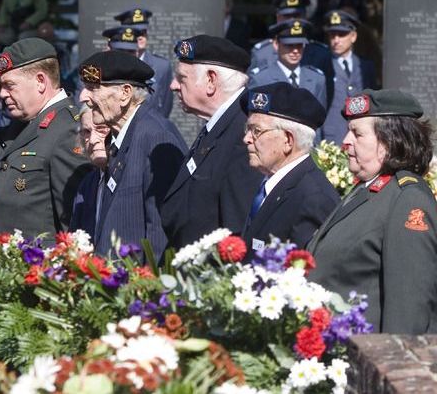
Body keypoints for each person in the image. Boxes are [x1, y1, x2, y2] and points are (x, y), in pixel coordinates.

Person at [308, 89, 437, 334]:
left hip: (367, 359)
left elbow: (408, 310)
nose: (345, 141)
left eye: (357, 133)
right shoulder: (367, 189)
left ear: (389, 142)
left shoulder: (407, 199)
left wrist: (391, 368)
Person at [0, 38, 91, 239]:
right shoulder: (25, 122)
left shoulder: (68, 130)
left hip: (36, 262)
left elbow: (74, 219)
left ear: (40, 81)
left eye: (9, 85)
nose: (2, 94)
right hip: (7, 260)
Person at [78, 50, 187, 259]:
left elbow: (162, 231)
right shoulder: (128, 134)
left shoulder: (156, 137)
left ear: (125, 93)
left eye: (92, 88)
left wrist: (150, 288)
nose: (84, 97)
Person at [161, 35, 262, 249]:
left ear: (210, 81)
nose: (173, 86)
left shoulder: (243, 135)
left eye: (181, 78)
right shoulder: (219, 125)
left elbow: (237, 231)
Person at [241, 83, 339, 257]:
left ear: (288, 140)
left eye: (256, 131)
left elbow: (304, 273)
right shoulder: (271, 183)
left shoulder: (313, 199)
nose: (246, 138)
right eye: (248, 129)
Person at [250, 0, 334, 106]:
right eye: (287, 16)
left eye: (297, 15)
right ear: (278, 17)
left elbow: (325, 101)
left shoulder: (320, 55)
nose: (293, 21)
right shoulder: (262, 54)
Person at [320, 10, 378, 144]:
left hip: (360, 136)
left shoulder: (366, 66)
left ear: (353, 36)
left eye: (341, 35)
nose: (336, 40)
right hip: (331, 137)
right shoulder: (322, 66)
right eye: (332, 35)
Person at [249, 19, 327, 110]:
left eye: (299, 45)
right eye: (289, 45)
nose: (295, 51)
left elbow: (320, 118)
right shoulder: (261, 79)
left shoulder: (317, 78)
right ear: (276, 44)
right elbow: (256, 119)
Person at [114, 8, 174, 118]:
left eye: (143, 32)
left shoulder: (162, 66)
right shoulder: (113, 63)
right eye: (136, 32)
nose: (140, 36)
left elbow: (166, 104)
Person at [100, 26, 168, 117]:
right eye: (120, 51)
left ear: (137, 53)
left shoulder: (148, 83)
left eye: (130, 51)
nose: (125, 56)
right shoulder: (95, 76)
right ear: (109, 49)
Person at [69, 107, 110, 238]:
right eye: (86, 131)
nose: (92, 140)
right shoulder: (87, 184)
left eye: (101, 129)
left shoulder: (128, 176)